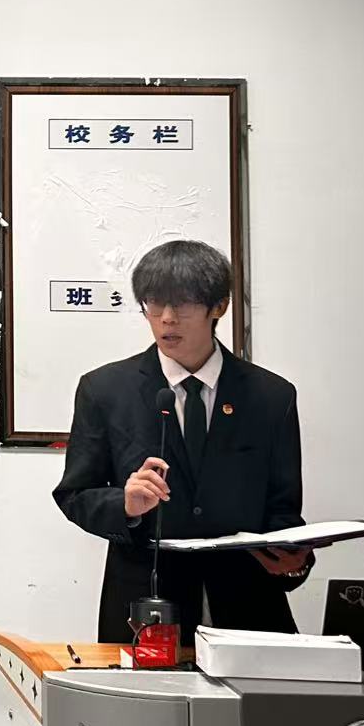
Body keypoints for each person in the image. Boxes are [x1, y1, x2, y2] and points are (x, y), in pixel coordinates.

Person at [52, 239, 313, 644]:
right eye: (154, 304)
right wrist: (125, 504)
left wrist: (294, 562)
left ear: (219, 306)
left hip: (248, 608)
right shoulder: (105, 390)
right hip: (146, 607)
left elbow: (283, 511)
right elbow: (75, 494)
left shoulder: (271, 396)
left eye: (183, 304)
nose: (167, 319)